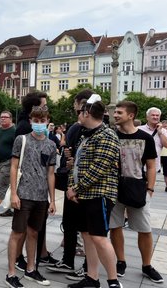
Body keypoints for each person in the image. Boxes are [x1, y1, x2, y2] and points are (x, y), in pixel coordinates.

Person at [66, 95, 123, 288]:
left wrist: (75, 188)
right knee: (88, 235)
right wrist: (72, 187)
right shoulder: (86, 135)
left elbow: (99, 168)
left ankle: (113, 280)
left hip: (99, 194)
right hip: (84, 194)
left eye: (78, 112)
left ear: (86, 113)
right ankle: (92, 278)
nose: (77, 116)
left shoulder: (107, 135)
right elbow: (77, 164)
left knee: (99, 236)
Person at [109, 101, 164, 283]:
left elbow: (150, 165)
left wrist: (150, 189)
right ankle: (121, 261)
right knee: (115, 226)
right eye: (115, 112)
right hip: (114, 188)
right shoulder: (111, 136)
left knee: (144, 228)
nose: (115, 115)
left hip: (137, 187)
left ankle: (147, 265)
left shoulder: (145, 138)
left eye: (119, 112)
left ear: (130, 115)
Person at [5, 106, 56, 288]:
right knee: (17, 233)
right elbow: (13, 166)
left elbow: (51, 173)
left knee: (34, 233)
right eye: (36, 120)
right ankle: (11, 273)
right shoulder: (22, 140)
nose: (40, 124)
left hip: (41, 196)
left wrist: (52, 199)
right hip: (24, 194)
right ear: (31, 120)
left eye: (43, 121)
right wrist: (14, 193)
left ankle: (31, 268)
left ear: (48, 121)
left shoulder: (51, 145)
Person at [47, 89, 93, 278]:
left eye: (76, 106)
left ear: (82, 106)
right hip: (73, 183)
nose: (75, 110)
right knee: (72, 224)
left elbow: (71, 152)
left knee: (84, 227)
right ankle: (69, 261)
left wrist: (71, 158)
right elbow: (67, 150)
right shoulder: (82, 128)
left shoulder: (90, 130)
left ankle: (87, 266)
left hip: (81, 185)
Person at [138, 107, 167, 193]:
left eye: (157, 115)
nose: (155, 117)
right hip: (139, 164)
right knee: (138, 190)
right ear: (147, 117)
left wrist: (160, 132)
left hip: (153, 166)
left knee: (149, 190)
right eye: (153, 115)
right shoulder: (139, 129)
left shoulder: (162, 131)